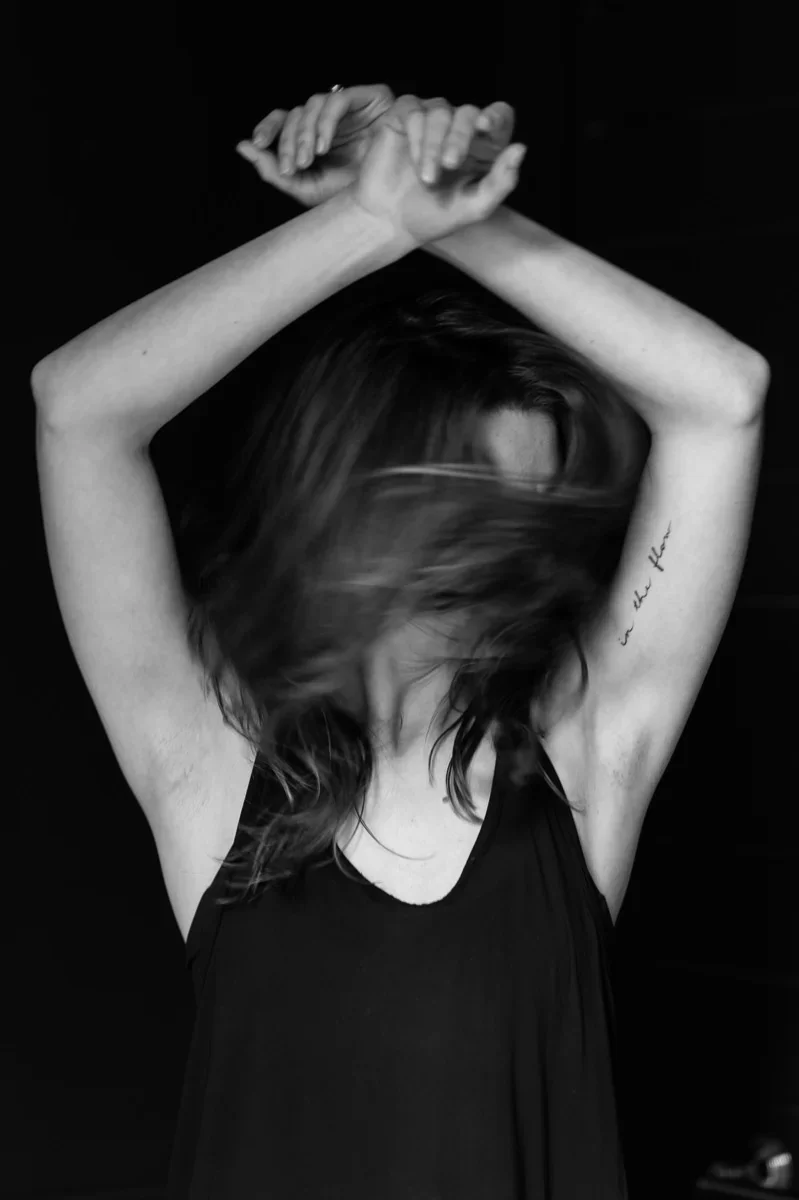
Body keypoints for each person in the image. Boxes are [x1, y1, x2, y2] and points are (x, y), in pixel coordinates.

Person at [32, 84, 767, 1200]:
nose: (514, 564)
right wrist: (371, 221)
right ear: (363, 513)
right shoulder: (211, 768)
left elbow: (725, 399)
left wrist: (461, 215)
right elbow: (78, 407)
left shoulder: (579, 771)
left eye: (534, 519)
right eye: (474, 519)